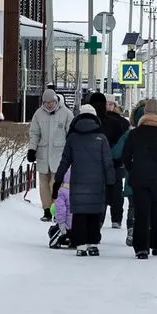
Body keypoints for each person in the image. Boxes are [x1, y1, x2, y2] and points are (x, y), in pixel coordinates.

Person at [52, 103, 115, 256]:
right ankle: (93, 244)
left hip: (78, 183)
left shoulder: (73, 138)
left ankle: (80, 245)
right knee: (94, 213)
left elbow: (64, 162)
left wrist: (57, 182)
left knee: (79, 214)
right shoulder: (101, 138)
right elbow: (108, 163)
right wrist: (111, 184)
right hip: (96, 184)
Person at [122, 98, 157, 259]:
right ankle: (154, 243)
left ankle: (141, 248)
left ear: (144, 114)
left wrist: (133, 170)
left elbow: (126, 156)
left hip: (139, 178)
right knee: (156, 211)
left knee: (141, 212)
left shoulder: (135, 134)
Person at [27, 88, 73, 222]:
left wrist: (70, 153)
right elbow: (34, 133)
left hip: (59, 155)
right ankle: (46, 210)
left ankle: (56, 210)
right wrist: (32, 149)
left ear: (56, 100)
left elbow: (71, 134)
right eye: (46, 103)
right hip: (43, 154)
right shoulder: (38, 114)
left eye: (51, 102)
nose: (49, 105)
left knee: (56, 183)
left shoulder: (66, 114)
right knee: (43, 183)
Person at [89, 92, 130, 229]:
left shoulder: (121, 122)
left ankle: (114, 219)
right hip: (108, 162)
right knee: (105, 191)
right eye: (106, 103)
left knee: (115, 191)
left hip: (113, 163)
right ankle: (103, 219)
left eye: (110, 103)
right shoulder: (100, 121)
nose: (108, 106)